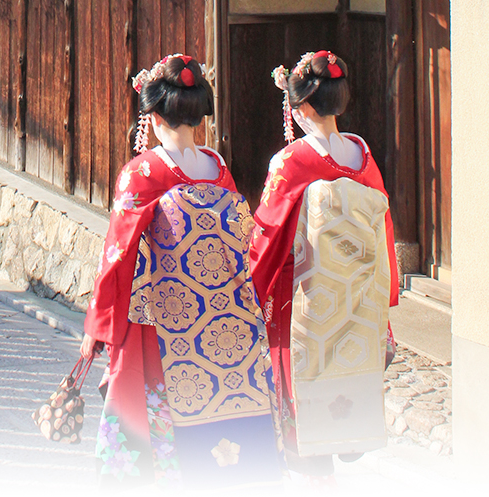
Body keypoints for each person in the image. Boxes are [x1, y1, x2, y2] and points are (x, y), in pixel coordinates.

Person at [80, 54, 282, 492]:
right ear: (198, 114)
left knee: (158, 420)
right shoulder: (217, 168)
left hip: (165, 320)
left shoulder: (142, 172)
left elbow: (117, 256)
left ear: (151, 116)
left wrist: (99, 325)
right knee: (227, 408)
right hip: (227, 322)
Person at [249, 50, 399, 481]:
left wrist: (247, 291)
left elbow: (267, 234)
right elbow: (382, 228)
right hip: (357, 300)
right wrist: (384, 300)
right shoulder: (361, 154)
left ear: (303, 108)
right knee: (343, 400)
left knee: (302, 416)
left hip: (306, 304)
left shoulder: (293, 161)